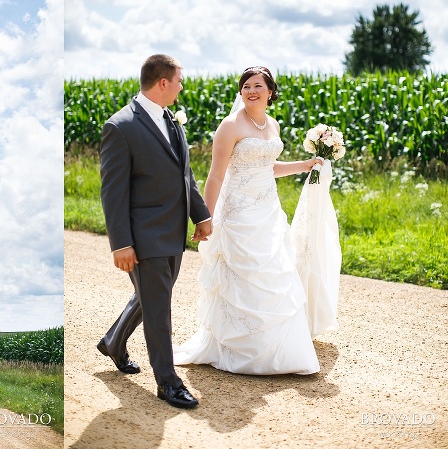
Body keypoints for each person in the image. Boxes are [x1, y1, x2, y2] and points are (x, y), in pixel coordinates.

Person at [173, 66, 320, 375]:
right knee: (240, 279)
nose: (251, 90)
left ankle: (276, 352)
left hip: (268, 213)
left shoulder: (273, 124)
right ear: (240, 92)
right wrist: (205, 217)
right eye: (246, 86)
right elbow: (216, 174)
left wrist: (303, 165)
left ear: (270, 92)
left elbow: (268, 167)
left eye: (258, 85)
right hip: (237, 214)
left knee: (273, 277)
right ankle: (235, 348)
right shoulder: (230, 125)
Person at [97, 54, 212, 409]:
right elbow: (112, 192)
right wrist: (122, 244)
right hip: (143, 237)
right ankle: (168, 382)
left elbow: (184, 175)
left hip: (173, 233)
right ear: (163, 82)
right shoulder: (121, 126)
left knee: (152, 298)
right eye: (178, 80)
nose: (181, 87)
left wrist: (201, 215)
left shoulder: (172, 121)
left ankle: (113, 342)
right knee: (159, 308)